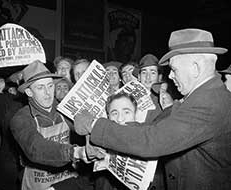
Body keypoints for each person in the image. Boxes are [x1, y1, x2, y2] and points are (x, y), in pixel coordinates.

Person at [74, 28, 231, 190]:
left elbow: (152, 140)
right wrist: (104, 130)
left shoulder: (210, 102)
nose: (170, 76)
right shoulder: (201, 96)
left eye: (174, 69)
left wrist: (94, 125)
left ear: (196, 67)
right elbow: (154, 127)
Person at [10, 60, 91, 190]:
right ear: (29, 92)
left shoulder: (64, 109)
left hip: (66, 182)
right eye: (40, 87)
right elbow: (35, 148)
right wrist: (74, 152)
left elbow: (82, 129)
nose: (48, 93)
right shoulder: (21, 119)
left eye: (50, 86)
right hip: (38, 185)